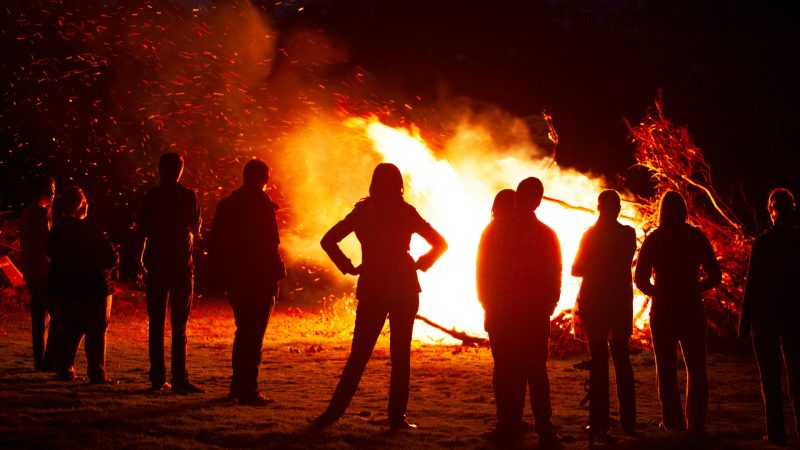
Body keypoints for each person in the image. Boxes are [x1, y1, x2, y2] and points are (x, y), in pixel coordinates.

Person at [315, 163, 447, 430]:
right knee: (401, 357)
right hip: (404, 286)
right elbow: (441, 242)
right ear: (398, 184)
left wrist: (349, 266)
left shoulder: (364, 211)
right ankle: (397, 418)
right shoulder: (405, 211)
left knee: (359, 354)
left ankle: (334, 412)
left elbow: (328, 239)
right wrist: (421, 263)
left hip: (374, 285)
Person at [478, 178, 562, 445]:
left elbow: (482, 273)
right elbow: (554, 275)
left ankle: (508, 423)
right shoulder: (546, 234)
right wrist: (548, 306)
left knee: (504, 370)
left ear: (516, 197)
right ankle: (543, 426)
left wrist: (488, 304)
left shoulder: (494, 231)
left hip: (503, 312)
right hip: (534, 314)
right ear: (538, 200)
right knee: (536, 371)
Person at [634, 191, 721, 435]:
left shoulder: (655, 238)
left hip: (663, 311)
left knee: (666, 368)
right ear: (684, 210)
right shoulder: (695, 237)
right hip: (692, 308)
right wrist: (696, 287)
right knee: (697, 368)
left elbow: (639, 278)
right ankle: (697, 424)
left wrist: (657, 292)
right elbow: (715, 274)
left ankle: (672, 422)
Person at [208, 159, 286, 406]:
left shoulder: (228, 205)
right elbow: (271, 244)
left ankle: (238, 384)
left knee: (243, 331)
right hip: (260, 279)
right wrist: (277, 273)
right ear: (266, 179)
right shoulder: (263, 205)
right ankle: (248, 389)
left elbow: (212, 243)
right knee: (253, 335)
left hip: (236, 278)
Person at [137, 152, 204, 394]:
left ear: (159, 170)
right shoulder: (187, 196)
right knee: (179, 325)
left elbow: (142, 232)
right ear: (180, 171)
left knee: (156, 323)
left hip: (156, 265)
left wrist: (139, 260)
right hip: (180, 266)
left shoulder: (151, 197)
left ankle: (157, 378)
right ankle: (179, 378)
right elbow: (196, 229)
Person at [572, 190, 637, 436]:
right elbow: (623, 262)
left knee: (598, 362)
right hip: (619, 301)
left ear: (598, 208)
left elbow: (576, 268)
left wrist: (594, 265)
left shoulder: (590, 235)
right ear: (618, 208)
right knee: (622, 360)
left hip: (595, 301)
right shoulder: (628, 234)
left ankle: (600, 423)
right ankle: (628, 422)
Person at [739, 188, 800, 445]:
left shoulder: (763, 243)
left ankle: (775, 432)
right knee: (798, 374)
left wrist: (744, 320)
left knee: (770, 376)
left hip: (766, 318)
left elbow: (752, 283)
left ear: (772, 211)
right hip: (794, 315)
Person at [47, 186, 118, 384]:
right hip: (94, 288)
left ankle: (65, 369)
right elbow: (112, 256)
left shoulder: (58, 230)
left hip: (67, 288)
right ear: (82, 206)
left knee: (70, 330)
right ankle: (97, 373)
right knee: (96, 331)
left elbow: (53, 255)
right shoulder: (89, 229)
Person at [19, 175, 59, 371]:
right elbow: (49, 241)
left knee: (39, 318)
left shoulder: (26, 212)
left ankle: (39, 360)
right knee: (57, 316)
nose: (53, 195)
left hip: (31, 270)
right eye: (51, 191)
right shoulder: (41, 214)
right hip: (44, 271)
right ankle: (50, 360)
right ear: (41, 192)